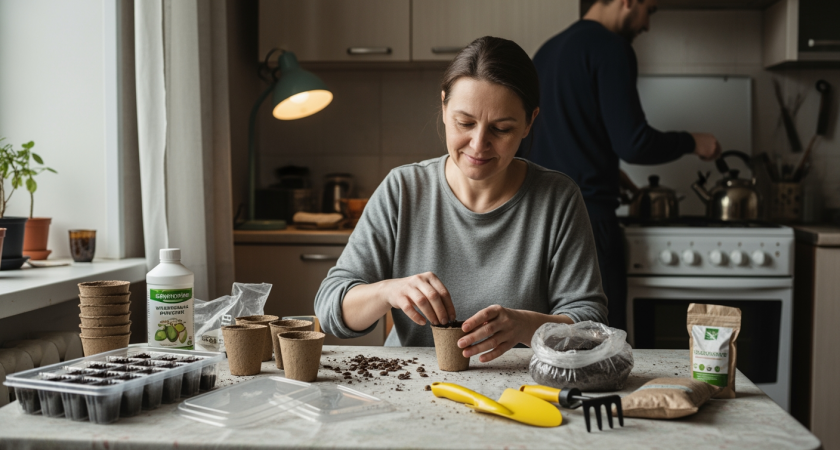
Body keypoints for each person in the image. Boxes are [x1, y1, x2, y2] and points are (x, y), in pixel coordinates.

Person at [314, 36, 608, 363]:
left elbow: (592, 324)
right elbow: (329, 310)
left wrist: (527, 326)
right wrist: (388, 291)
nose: (478, 144)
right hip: (407, 386)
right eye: (465, 123)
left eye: (501, 129)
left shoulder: (557, 199)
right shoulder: (402, 189)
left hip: (518, 389)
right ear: (443, 107)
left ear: (529, 122)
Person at [525, 0, 721, 331]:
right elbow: (634, 143)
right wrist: (693, 141)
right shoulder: (611, 47)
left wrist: (608, 172)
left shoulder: (546, 52)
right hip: (589, 224)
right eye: (650, 10)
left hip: (537, 224)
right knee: (603, 344)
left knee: (549, 343)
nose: (647, 25)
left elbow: (548, 139)